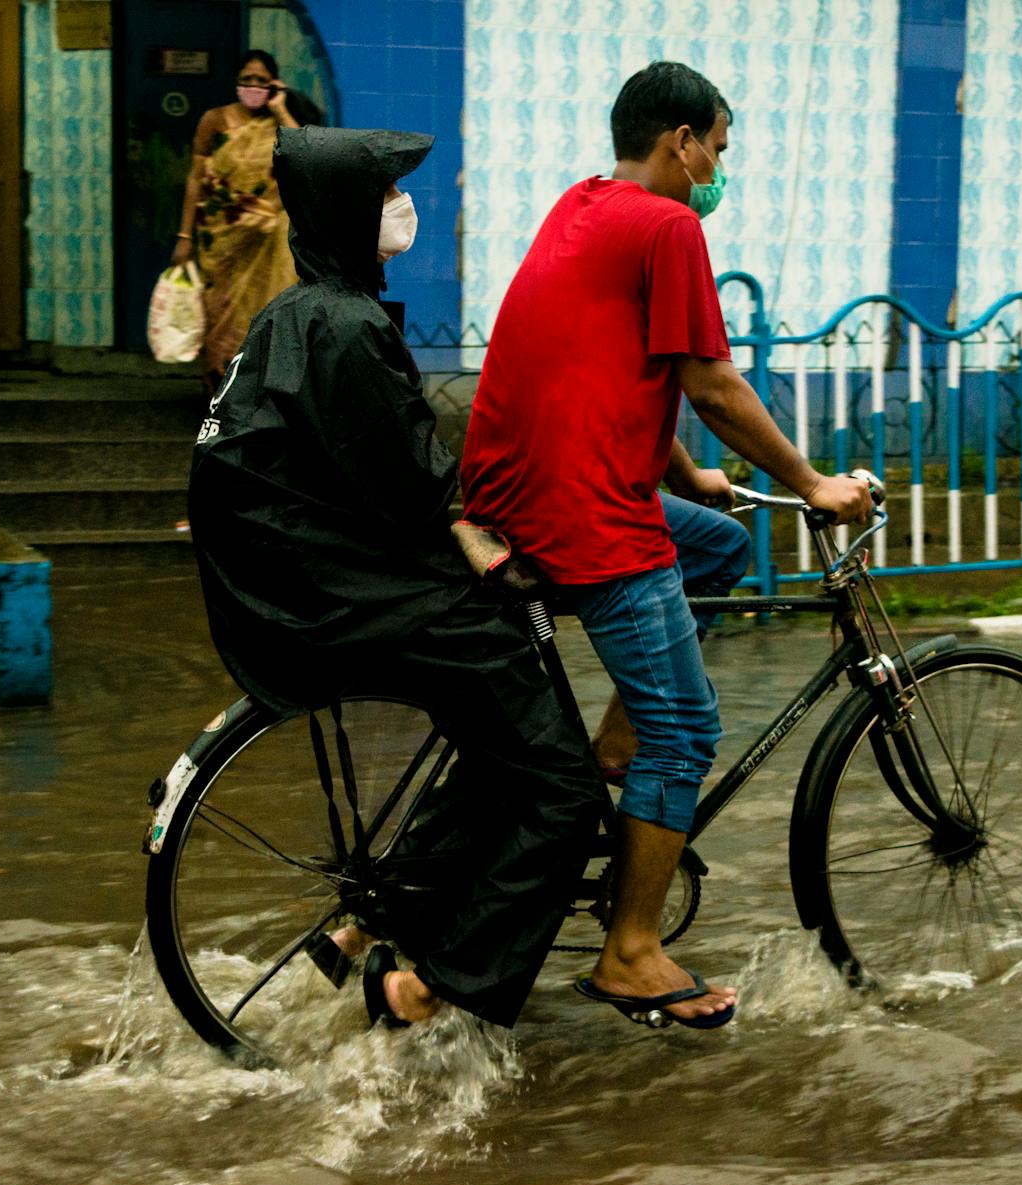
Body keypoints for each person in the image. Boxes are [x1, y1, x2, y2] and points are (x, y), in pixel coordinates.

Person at [458, 61, 872, 1028]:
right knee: (688, 730)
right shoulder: (669, 222)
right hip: (583, 512)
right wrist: (812, 484)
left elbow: (603, 363)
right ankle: (632, 953)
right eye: (717, 151)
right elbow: (712, 382)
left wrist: (688, 477)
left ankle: (613, 749)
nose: (718, 172)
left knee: (716, 547)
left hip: (513, 491)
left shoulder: (586, 204)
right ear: (681, 140)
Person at [188, 126, 609, 1028]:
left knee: (500, 753)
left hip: (304, 593)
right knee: (563, 786)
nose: (402, 209)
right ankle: (427, 987)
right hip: (360, 601)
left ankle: (373, 919)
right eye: (386, 194)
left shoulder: (298, 314)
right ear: (348, 211)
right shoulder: (345, 327)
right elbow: (417, 488)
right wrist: (506, 550)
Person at [171, 50, 308, 394]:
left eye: (262, 80)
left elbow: (304, 156)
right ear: (235, 82)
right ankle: (217, 390)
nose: (253, 86)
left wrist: (279, 107)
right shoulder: (214, 120)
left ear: (273, 84)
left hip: (268, 242)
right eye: (247, 79)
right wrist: (184, 235)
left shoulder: (279, 121)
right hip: (221, 240)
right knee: (218, 313)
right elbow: (196, 179)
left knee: (265, 310)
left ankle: (257, 392)